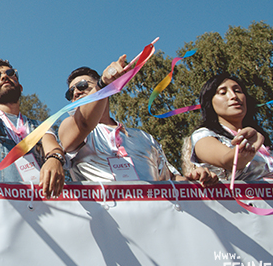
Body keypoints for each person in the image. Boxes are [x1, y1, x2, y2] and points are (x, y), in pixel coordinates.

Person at [0, 0, 65, 198]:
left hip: (41, 204)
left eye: (10, 73)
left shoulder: (38, 126)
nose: (4, 76)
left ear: (20, 87)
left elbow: (52, 145)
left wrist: (55, 159)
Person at [59, 65, 217, 185]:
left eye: (82, 85)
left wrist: (196, 180)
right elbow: (84, 123)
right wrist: (103, 83)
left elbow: (170, 178)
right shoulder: (71, 129)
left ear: (108, 89)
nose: (75, 93)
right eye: (70, 92)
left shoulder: (143, 136)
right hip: (107, 221)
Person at [183, 72, 273, 181]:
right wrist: (246, 148)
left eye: (238, 91)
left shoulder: (268, 147)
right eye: (223, 92)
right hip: (237, 197)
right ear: (210, 102)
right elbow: (228, 161)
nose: (234, 96)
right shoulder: (203, 135)